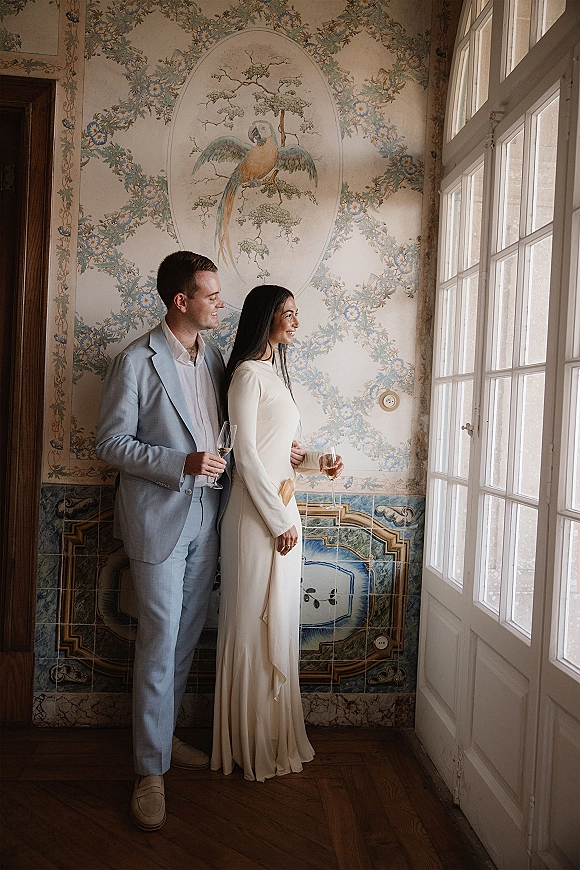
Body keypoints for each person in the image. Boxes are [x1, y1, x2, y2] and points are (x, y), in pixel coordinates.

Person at [95, 251, 230, 831]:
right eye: (210, 295)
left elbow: (225, 430)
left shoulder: (217, 358)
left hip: (210, 515)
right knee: (158, 641)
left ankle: (166, 739)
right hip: (158, 519)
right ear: (181, 301)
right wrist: (183, 462)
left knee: (185, 638)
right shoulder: (135, 361)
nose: (219, 303)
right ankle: (149, 771)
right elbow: (111, 444)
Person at [211, 285, 343, 782]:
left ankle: (270, 736)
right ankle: (246, 745)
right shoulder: (246, 374)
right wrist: (278, 520)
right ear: (264, 317)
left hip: (282, 512)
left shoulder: (275, 376)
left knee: (278, 624)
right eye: (286, 313)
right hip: (257, 518)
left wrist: (316, 460)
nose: (295, 322)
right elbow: (244, 456)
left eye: (295, 313)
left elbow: (276, 450)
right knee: (250, 625)